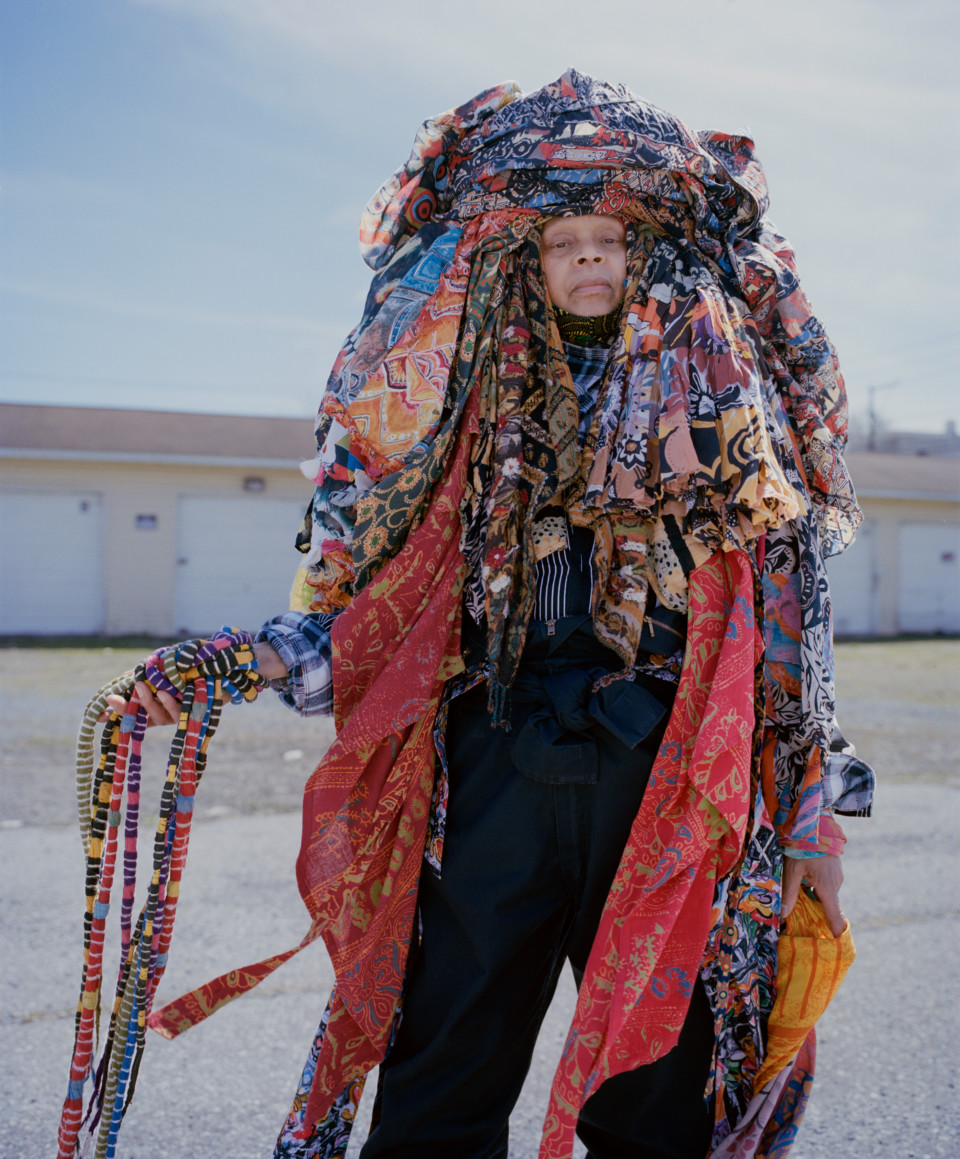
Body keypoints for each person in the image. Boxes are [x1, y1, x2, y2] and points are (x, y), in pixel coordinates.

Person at [111, 71, 873, 1159]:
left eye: (612, 240)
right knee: (445, 1072)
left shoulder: (720, 428)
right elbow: (382, 608)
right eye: (566, 243)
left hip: (661, 779)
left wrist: (811, 825)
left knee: (657, 1087)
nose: (591, 259)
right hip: (497, 767)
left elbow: (792, 631)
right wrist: (241, 662)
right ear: (528, 260)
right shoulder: (460, 427)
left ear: (650, 255)